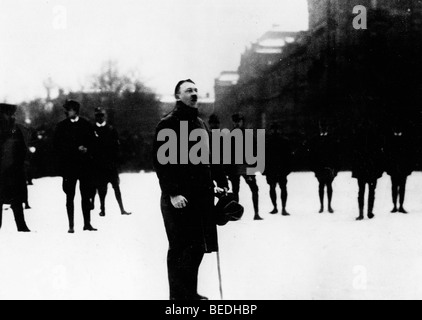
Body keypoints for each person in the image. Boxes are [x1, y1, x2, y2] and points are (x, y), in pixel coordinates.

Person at [154, 80, 227, 301]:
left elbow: (210, 157)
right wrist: (173, 193)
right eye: (188, 90)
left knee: (197, 248)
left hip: (200, 197)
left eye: (195, 90)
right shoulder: (169, 124)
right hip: (179, 198)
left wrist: (219, 181)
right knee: (179, 249)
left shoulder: (200, 123)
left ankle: (189, 294)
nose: (194, 94)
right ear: (178, 96)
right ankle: (177, 298)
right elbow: (162, 163)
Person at [54, 100, 97, 233]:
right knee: (70, 196)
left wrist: (87, 149)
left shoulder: (86, 124)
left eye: (70, 109)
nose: (68, 112)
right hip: (69, 167)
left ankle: (87, 223)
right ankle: (71, 225)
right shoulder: (61, 126)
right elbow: (57, 146)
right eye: (67, 110)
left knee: (86, 195)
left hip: (84, 166)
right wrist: (75, 149)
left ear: (76, 110)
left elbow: (94, 143)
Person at [92, 107, 131, 217]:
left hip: (111, 164)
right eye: (97, 116)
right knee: (101, 188)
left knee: (116, 187)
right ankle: (102, 209)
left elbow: (116, 147)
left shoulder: (111, 129)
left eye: (101, 115)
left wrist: (117, 163)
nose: (100, 117)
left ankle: (122, 209)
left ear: (105, 116)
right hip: (99, 165)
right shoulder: (92, 129)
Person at [0, 103, 31, 232]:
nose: (12, 116)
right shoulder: (11, 129)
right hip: (8, 171)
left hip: (13, 170)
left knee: (16, 199)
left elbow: (22, 149)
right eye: (10, 114)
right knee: (13, 199)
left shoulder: (14, 129)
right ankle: (21, 226)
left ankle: (21, 225)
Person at [227, 113, 262, 221]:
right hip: (234, 168)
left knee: (254, 189)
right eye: (235, 121)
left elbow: (256, 150)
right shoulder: (229, 136)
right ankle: (236, 215)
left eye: (239, 121)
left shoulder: (248, 135)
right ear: (233, 122)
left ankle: (256, 213)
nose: (237, 123)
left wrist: (254, 165)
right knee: (235, 190)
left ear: (242, 122)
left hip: (247, 167)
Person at [351, 120, 384, 221]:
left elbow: (379, 156)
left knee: (363, 191)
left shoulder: (361, 139)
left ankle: (364, 213)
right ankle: (367, 212)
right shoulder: (374, 140)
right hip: (368, 170)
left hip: (367, 170)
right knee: (369, 191)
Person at [309, 124, 340, 214]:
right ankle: (322, 206)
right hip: (319, 167)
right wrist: (314, 169)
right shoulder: (316, 140)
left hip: (329, 167)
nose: (323, 129)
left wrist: (335, 169)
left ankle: (329, 205)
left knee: (329, 185)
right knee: (321, 186)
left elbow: (336, 155)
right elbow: (313, 155)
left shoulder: (331, 140)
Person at [264, 123, 293, 216]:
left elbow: (289, 156)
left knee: (281, 188)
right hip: (272, 169)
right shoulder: (267, 141)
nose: (275, 131)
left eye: (276, 129)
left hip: (280, 169)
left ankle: (282, 208)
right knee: (273, 188)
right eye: (273, 129)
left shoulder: (283, 141)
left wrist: (288, 169)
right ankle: (276, 207)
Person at [385, 124, 415, 214]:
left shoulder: (404, 141)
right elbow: (388, 156)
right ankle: (396, 205)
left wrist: (408, 168)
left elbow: (409, 156)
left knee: (400, 187)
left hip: (401, 169)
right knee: (396, 187)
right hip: (396, 168)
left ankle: (399, 205)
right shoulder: (394, 141)